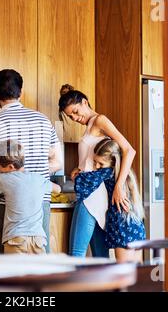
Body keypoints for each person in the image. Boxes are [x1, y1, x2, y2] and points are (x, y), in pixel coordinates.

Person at [0, 69, 63, 253]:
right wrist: (32, 178)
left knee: (3, 266)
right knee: (39, 263)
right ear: (21, 92)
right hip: (39, 203)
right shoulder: (43, 121)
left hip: (4, 204)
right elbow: (57, 162)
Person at [58, 87, 136, 257]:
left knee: (76, 255)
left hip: (91, 195)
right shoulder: (90, 126)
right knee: (100, 256)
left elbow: (129, 150)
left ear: (84, 102)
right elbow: (94, 157)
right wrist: (80, 168)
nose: (76, 118)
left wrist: (119, 186)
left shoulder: (100, 120)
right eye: (72, 117)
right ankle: (106, 285)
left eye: (76, 112)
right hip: (94, 192)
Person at [74, 138, 146, 263]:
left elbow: (84, 182)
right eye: (95, 162)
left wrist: (77, 173)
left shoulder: (108, 171)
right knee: (137, 271)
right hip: (136, 225)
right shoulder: (127, 175)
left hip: (122, 228)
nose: (97, 166)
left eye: (100, 164)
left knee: (124, 271)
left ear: (113, 162)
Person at [0, 140, 62, 254]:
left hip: (15, 239)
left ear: (11, 166)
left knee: (15, 272)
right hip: (38, 240)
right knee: (38, 272)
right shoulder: (38, 179)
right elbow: (58, 189)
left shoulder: (2, 179)